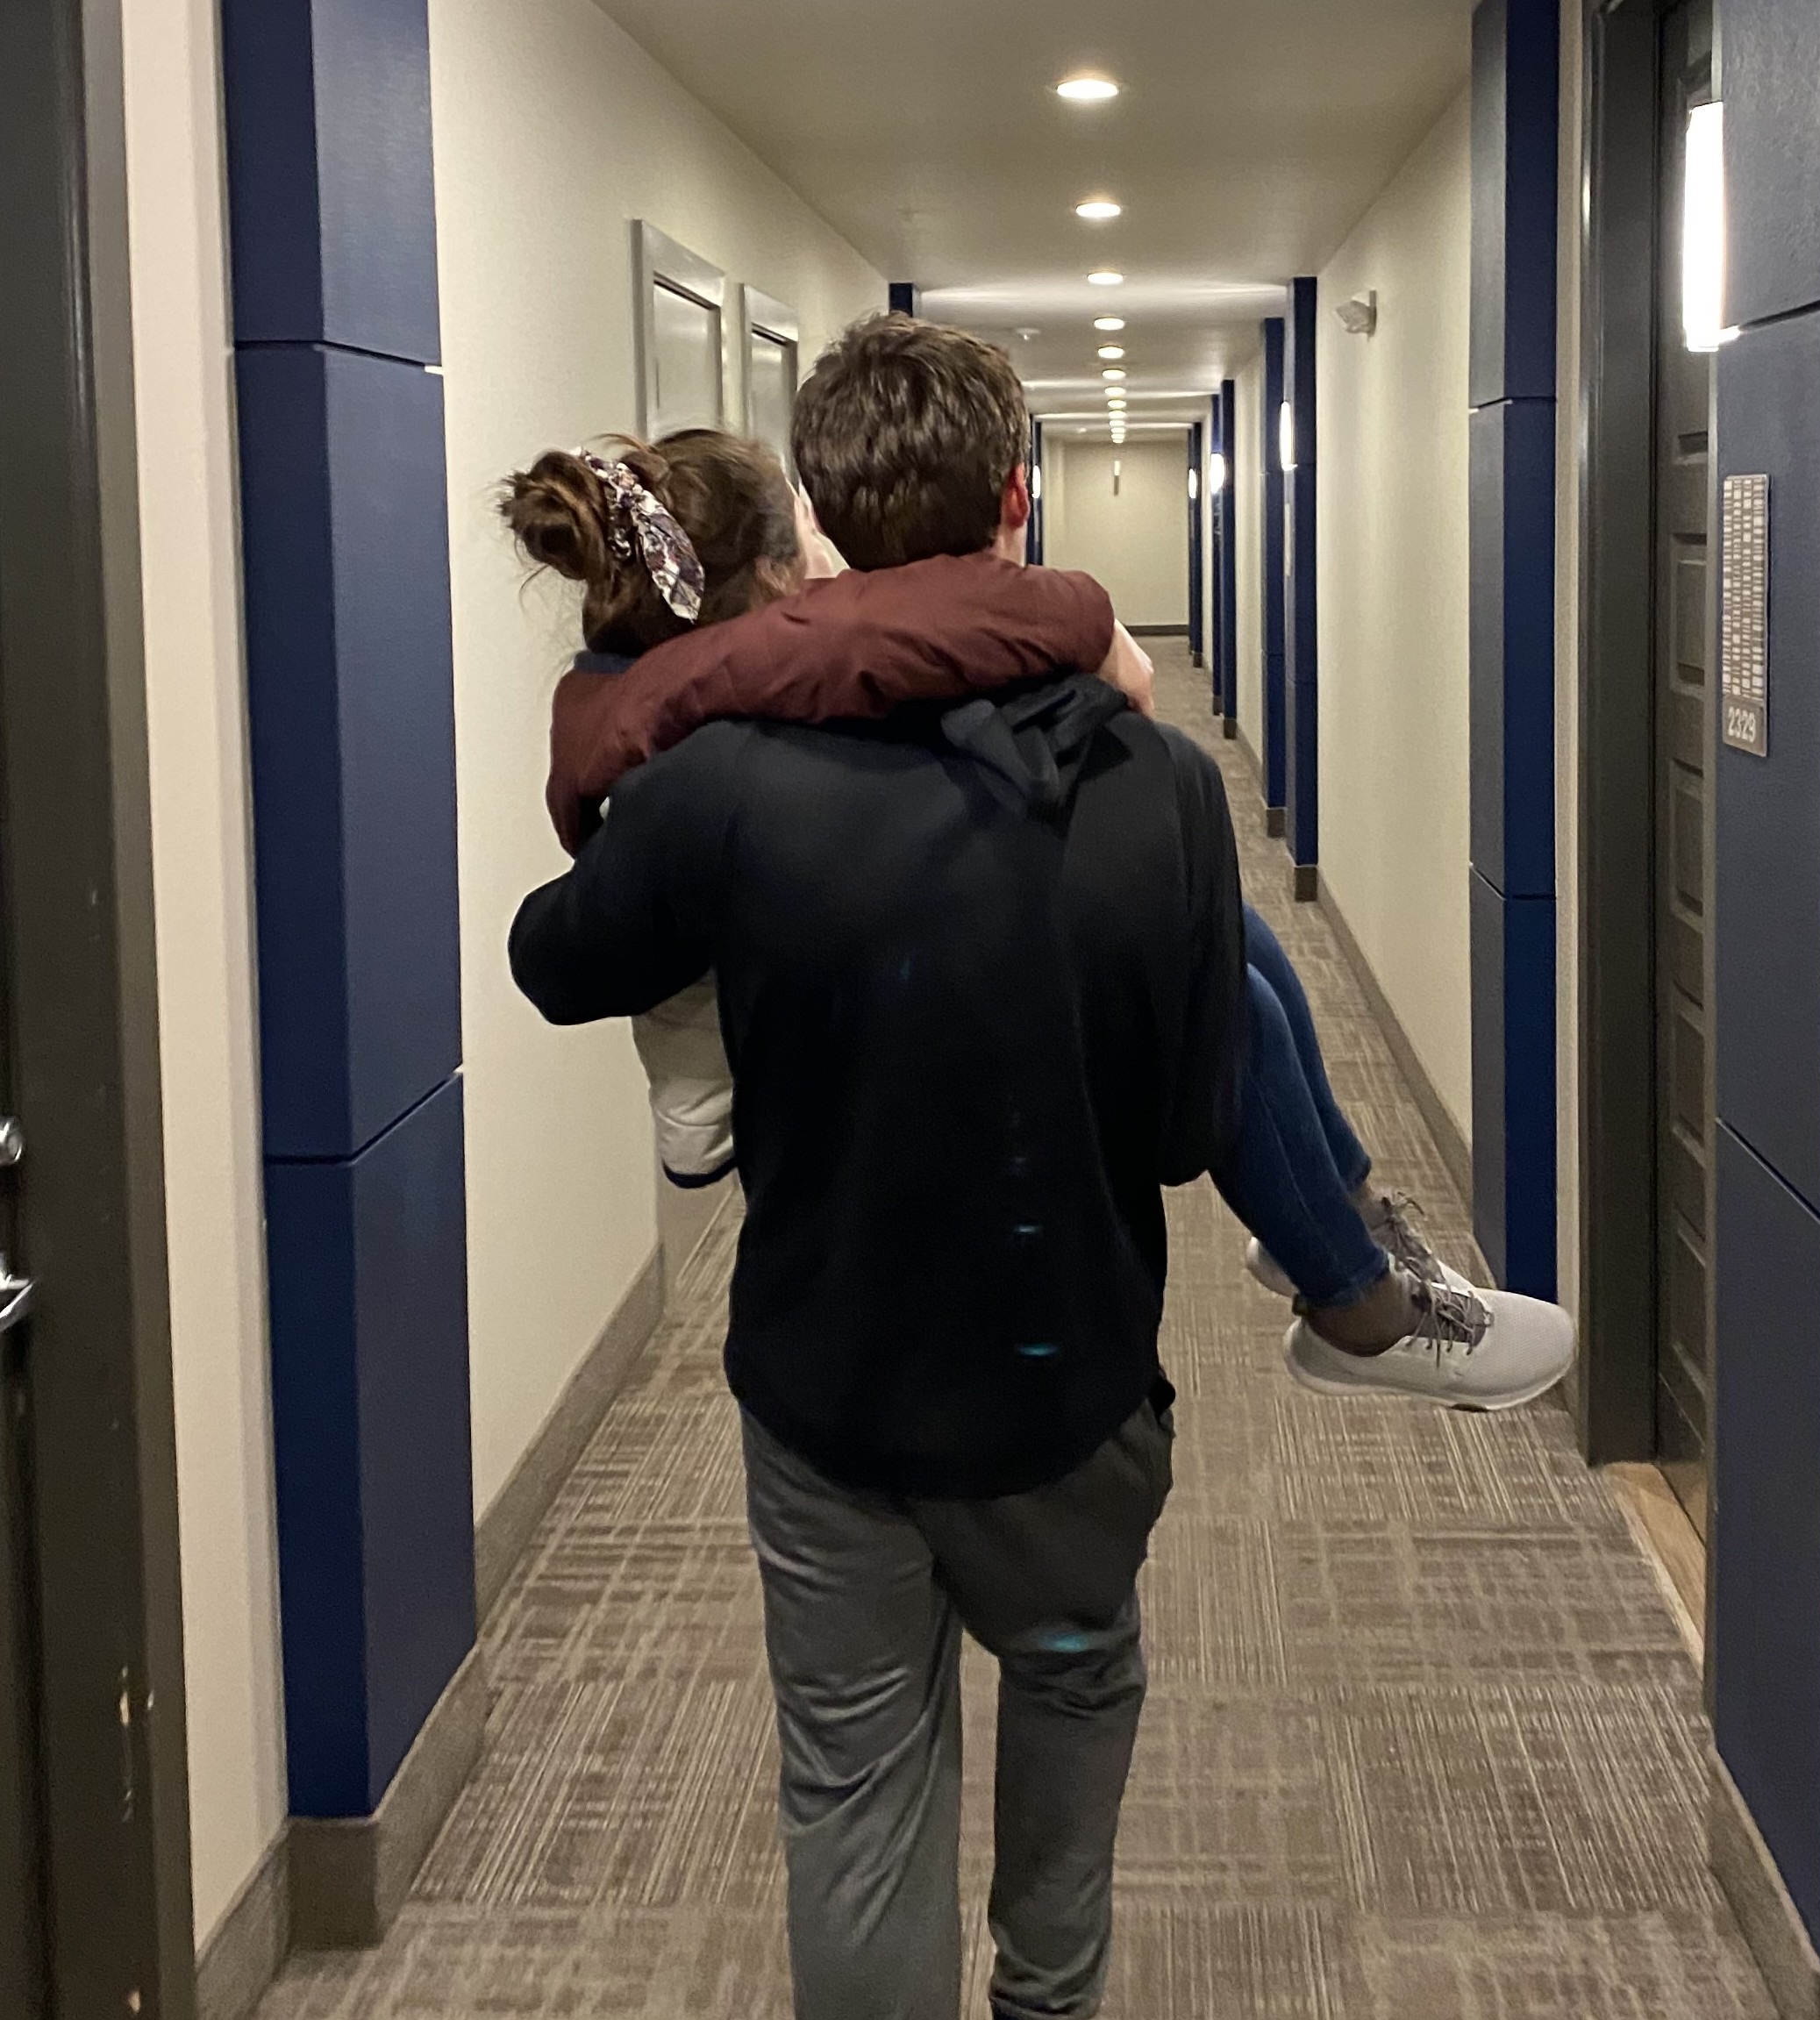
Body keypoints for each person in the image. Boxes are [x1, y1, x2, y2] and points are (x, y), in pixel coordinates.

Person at [510, 314, 1245, 2020]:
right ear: (1017, 501)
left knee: (855, 1791)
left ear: (823, 522)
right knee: (1079, 1680)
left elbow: (557, 961)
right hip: (1067, 1380)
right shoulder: (1163, 790)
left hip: (829, 1386)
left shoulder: (726, 784)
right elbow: (1190, 1124)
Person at [504, 425, 1575, 1415]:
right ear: (780, 575)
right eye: (805, 528)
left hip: (834, 992)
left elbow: (912, 636)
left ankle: (1340, 1221)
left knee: (1224, 927)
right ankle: (1350, 1293)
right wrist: (1088, 628)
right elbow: (927, 633)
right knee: (1214, 984)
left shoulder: (699, 678)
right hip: (787, 1064)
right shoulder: (714, 714)